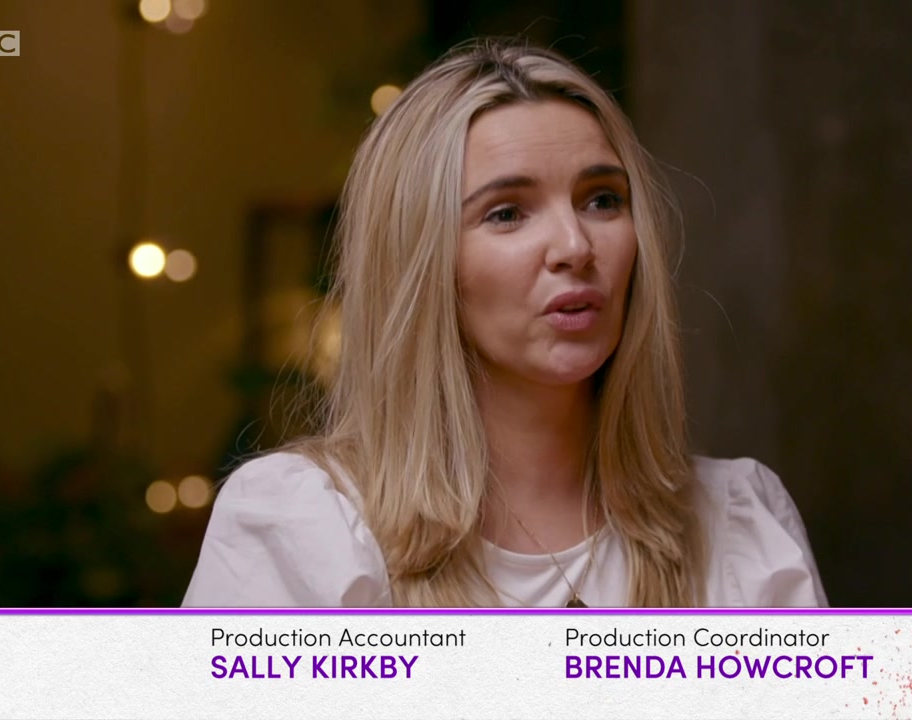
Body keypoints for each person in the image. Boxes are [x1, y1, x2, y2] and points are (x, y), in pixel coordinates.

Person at [182, 39, 827, 608]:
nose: (574, 246)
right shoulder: (304, 528)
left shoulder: (739, 526)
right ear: (422, 262)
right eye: (507, 213)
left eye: (602, 200)